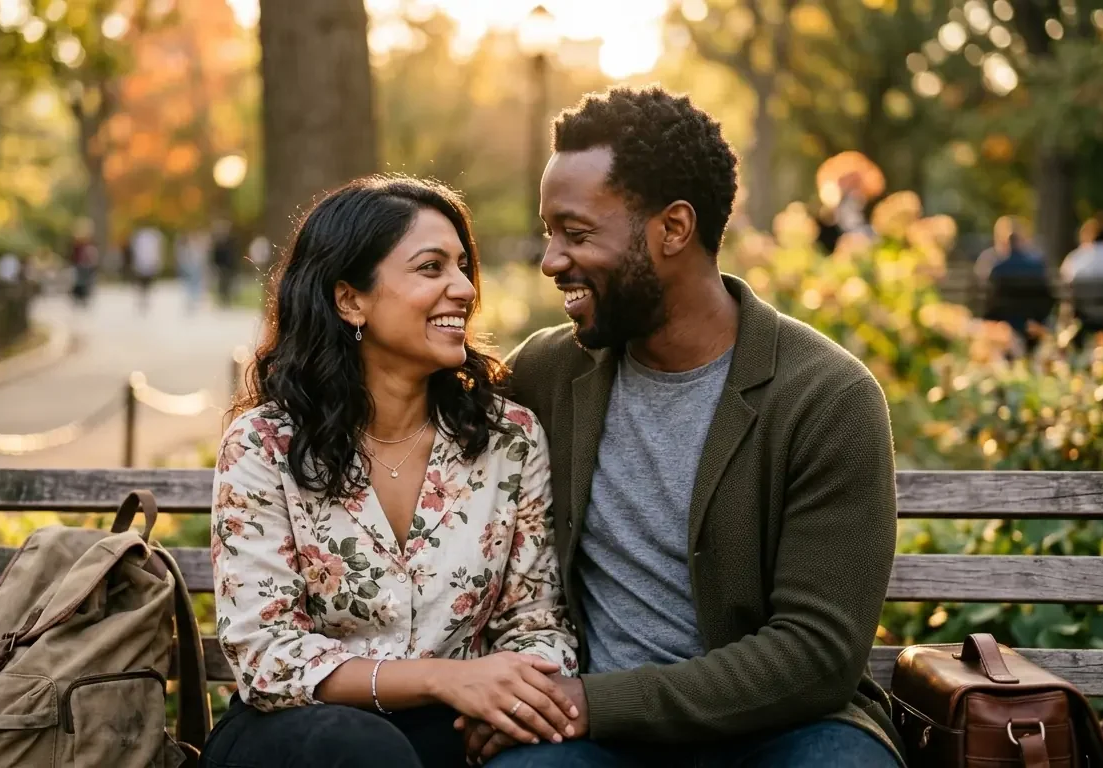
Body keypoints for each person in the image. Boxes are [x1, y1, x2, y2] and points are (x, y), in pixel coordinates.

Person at [459, 87, 905, 767]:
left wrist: (593, 701)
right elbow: (407, 421)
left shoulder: (827, 397)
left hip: (780, 729)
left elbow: (817, 654)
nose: (551, 260)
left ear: (672, 229)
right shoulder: (547, 373)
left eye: (576, 234)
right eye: (549, 231)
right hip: (598, 739)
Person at [203, 176, 580, 768]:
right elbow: (267, 654)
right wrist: (439, 679)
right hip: (294, 735)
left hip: (451, 730)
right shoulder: (264, 445)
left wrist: (512, 697)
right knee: (364, 752)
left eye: (462, 266)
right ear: (350, 299)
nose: (462, 288)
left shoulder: (508, 438)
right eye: (431, 268)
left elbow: (535, 621)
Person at [974, 216, 1054, 351]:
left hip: (1003, 322)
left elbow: (988, 302)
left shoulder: (996, 268)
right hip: (1032, 322)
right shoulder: (1037, 265)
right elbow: (1047, 298)